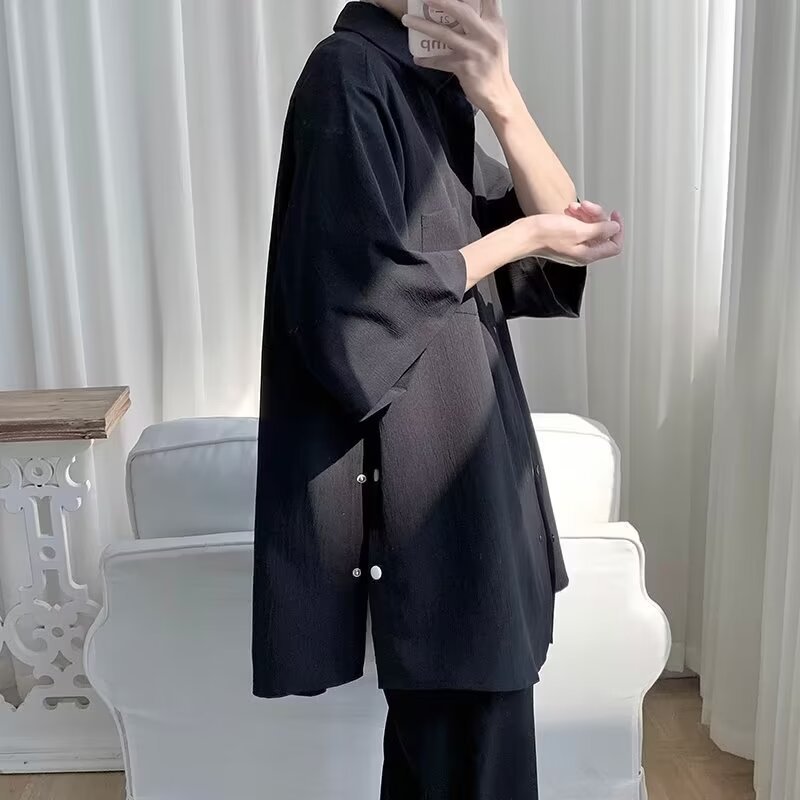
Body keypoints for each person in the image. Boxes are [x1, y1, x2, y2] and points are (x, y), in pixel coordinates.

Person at [252, 0, 624, 797]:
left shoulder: (425, 84)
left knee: (465, 752)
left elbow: (561, 223)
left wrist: (503, 97)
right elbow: (351, 312)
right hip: (425, 485)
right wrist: (524, 238)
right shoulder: (347, 76)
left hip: (473, 470)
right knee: (468, 752)